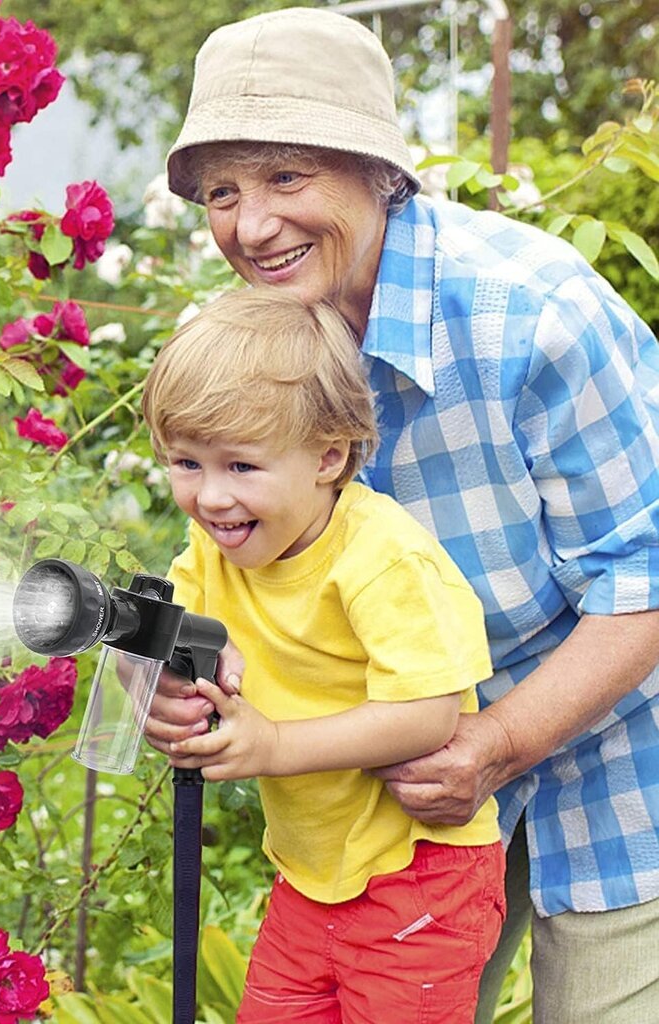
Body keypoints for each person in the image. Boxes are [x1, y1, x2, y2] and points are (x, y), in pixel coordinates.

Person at [143, 8, 659, 1024]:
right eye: (223, 192)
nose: (251, 227)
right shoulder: (254, 346)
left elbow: (645, 584)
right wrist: (176, 677)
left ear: (377, 172)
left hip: (617, 762)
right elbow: (220, 557)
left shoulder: (534, 316)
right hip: (394, 822)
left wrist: (494, 740)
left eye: (288, 178)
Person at [141, 286, 504, 1024]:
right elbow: (156, 636)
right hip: (308, 880)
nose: (210, 498)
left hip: (419, 881)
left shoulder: (382, 557)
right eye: (186, 462)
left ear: (328, 456)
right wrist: (155, 692)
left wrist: (273, 744)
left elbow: (430, 716)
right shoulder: (213, 551)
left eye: (241, 466)